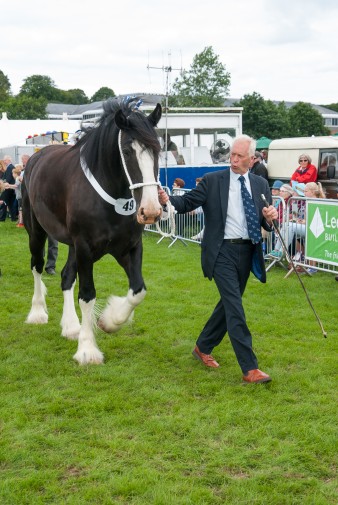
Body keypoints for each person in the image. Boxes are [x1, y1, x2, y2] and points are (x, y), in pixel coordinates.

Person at [158, 134, 278, 384]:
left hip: (248, 251)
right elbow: (187, 201)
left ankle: (203, 346)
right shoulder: (214, 181)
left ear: (252, 159)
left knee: (226, 305)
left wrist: (270, 216)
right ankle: (250, 368)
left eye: (239, 156)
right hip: (221, 252)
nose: (233, 160)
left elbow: (264, 219)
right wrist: (167, 200)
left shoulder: (259, 184)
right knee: (235, 307)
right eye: (232, 154)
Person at [0, 155, 17, 222]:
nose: (4, 161)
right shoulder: (11, 167)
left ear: (8, 160)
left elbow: (8, 178)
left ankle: (2, 218)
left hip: (8, 188)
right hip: (11, 189)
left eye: (5, 160)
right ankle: (13, 218)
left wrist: (3, 183)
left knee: (3, 202)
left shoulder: (10, 167)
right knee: (10, 204)